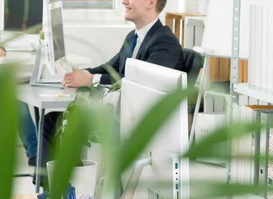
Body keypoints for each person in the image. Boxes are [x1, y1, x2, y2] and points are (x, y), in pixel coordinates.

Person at [37, 0, 184, 179]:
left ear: (151, 2)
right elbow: (111, 68)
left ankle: (60, 192)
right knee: (52, 120)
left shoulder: (165, 43)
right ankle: (56, 190)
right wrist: (81, 75)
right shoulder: (133, 37)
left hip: (135, 121)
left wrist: (91, 80)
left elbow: (140, 85)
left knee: (59, 123)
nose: (124, 1)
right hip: (119, 112)